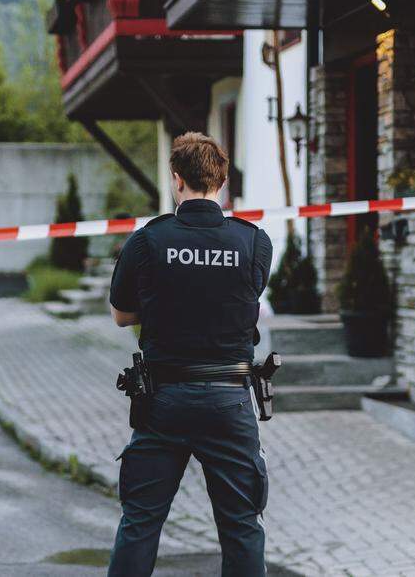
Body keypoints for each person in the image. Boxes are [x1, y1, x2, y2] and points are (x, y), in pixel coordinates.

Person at [107, 132, 273, 576]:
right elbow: (241, 298)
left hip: (165, 400)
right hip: (230, 399)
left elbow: (122, 316)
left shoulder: (148, 240)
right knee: (241, 526)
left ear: (177, 180)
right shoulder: (254, 242)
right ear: (221, 182)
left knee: (141, 521)